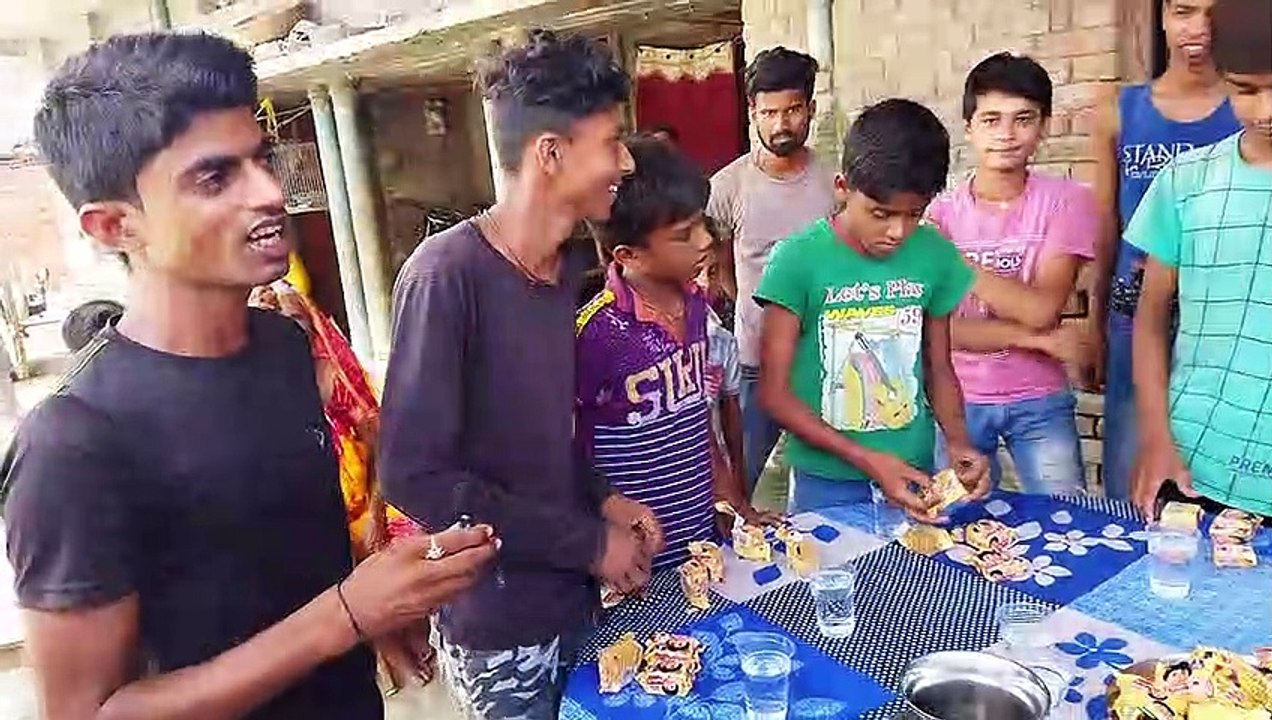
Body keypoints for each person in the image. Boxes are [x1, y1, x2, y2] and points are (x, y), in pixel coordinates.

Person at [0, 33, 497, 720]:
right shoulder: (73, 444)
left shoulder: (282, 347)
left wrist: (375, 609)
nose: (269, 193)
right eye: (214, 178)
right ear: (115, 226)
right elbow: (89, 713)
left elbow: (278, 561)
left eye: (261, 160)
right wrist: (344, 616)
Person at [378, 31, 661, 720]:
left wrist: (602, 500)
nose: (625, 162)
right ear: (551, 154)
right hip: (499, 627)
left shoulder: (565, 270)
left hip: (575, 599)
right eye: (612, 142)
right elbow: (415, 477)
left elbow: (537, 431)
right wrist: (589, 543)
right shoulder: (446, 276)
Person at [754, 98, 991, 515]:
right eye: (881, 213)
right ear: (842, 187)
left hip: (913, 472)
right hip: (825, 484)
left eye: (914, 214)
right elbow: (774, 394)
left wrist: (957, 441)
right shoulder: (797, 260)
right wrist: (868, 460)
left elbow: (938, 367)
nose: (897, 231)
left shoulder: (934, 254)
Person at [577, 137, 772, 572]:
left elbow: (699, 421)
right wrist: (598, 544)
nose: (705, 241)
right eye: (684, 235)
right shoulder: (596, 335)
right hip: (635, 562)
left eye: (702, 223)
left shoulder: (698, 308)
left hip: (702, 543)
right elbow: (569, 455)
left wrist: (735, 503)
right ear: (628, 255)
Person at [1089, 0, 1241, 500]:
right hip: (1134, 316)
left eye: (1214, 13)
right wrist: (1094, 325)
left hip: (1219, 322)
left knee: (1214, 481)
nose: (1198, 29)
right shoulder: (1120, 110)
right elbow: (1105, 226)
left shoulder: (1250, 110)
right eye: (1184, 11)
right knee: (1130, 479)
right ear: (1162, 15)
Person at [249, 280, 434, 690]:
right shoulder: (256, 392)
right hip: (313, 514)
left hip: (370, 495)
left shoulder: (334, 377)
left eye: (296, 327)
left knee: (403, 538)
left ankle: (404, 636)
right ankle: (389, 647)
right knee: (331, 558)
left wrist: (376, 514)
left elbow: (384, 447)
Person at [927, 53, 1097, 496]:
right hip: (956, 401)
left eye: (1023, 119)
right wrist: (1035, 340)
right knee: (955, 520)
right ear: (969, 128)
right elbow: (942, 332)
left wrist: (953, 261)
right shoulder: (940, 212)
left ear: (1044, 126)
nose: (1006, 134)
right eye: (991, 120)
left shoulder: (1067, 202)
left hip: (1039, 398)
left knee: (1064, 519)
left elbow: (1042, 309)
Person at [1130, 0, 1272, 519]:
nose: (1266, 110)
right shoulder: (1185, 181)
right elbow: (1149, 321)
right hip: (1195, 465)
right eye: (1246, 90)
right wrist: (1157, 438)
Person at [707, 47, 838, 495]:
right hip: (755, 363)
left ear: (811, 108)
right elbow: (714, 258)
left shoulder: (834, 184)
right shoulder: (728, 186)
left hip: (821, 364)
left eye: (792, 110)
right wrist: (745, 303)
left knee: (825, 480)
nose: (781, 124)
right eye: (769, 113)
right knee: (738, 479)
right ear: (752, 112)